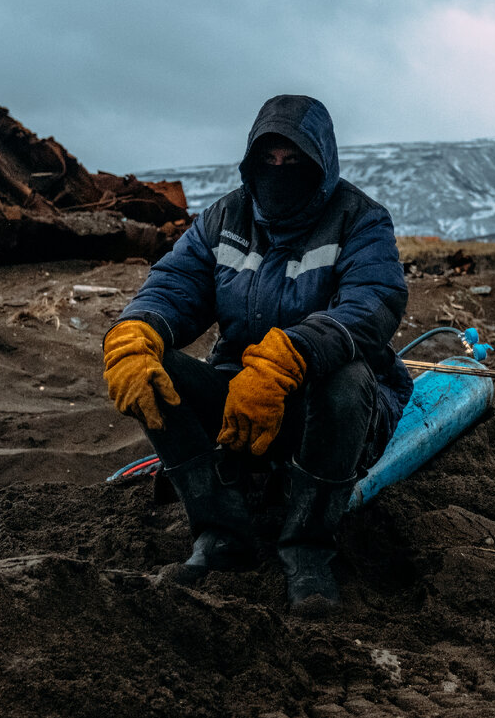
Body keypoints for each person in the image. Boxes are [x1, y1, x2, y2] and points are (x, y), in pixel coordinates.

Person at [102, 94, 412, 613]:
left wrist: (289, 357)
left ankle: (308, 551)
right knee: (153, 372)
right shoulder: (224, 217)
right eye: (267, 160)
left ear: (321, 162)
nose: (279, 171)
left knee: (350, 380)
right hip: (241, 398)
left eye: (293, 161)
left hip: (332, 410)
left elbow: (373, 303)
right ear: (250, 161)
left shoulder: (360, 221)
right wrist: (135, 331)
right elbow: (175, 285)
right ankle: (221, 534)